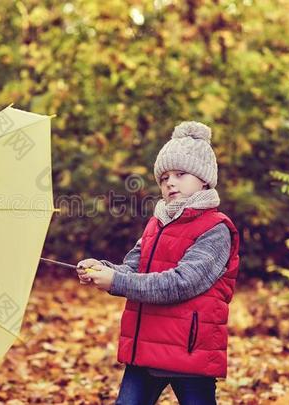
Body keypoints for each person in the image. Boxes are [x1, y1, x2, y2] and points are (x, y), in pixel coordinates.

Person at [76, 121, 241, 405]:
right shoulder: (158, 223)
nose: (170, 182)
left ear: (203, 179)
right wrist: (102, 269)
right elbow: (134, 269)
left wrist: (117, 282)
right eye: (164, 177)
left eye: (180, 174)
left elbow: (181, 283)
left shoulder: (216, 229)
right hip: (146, 345)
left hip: (189, 351)